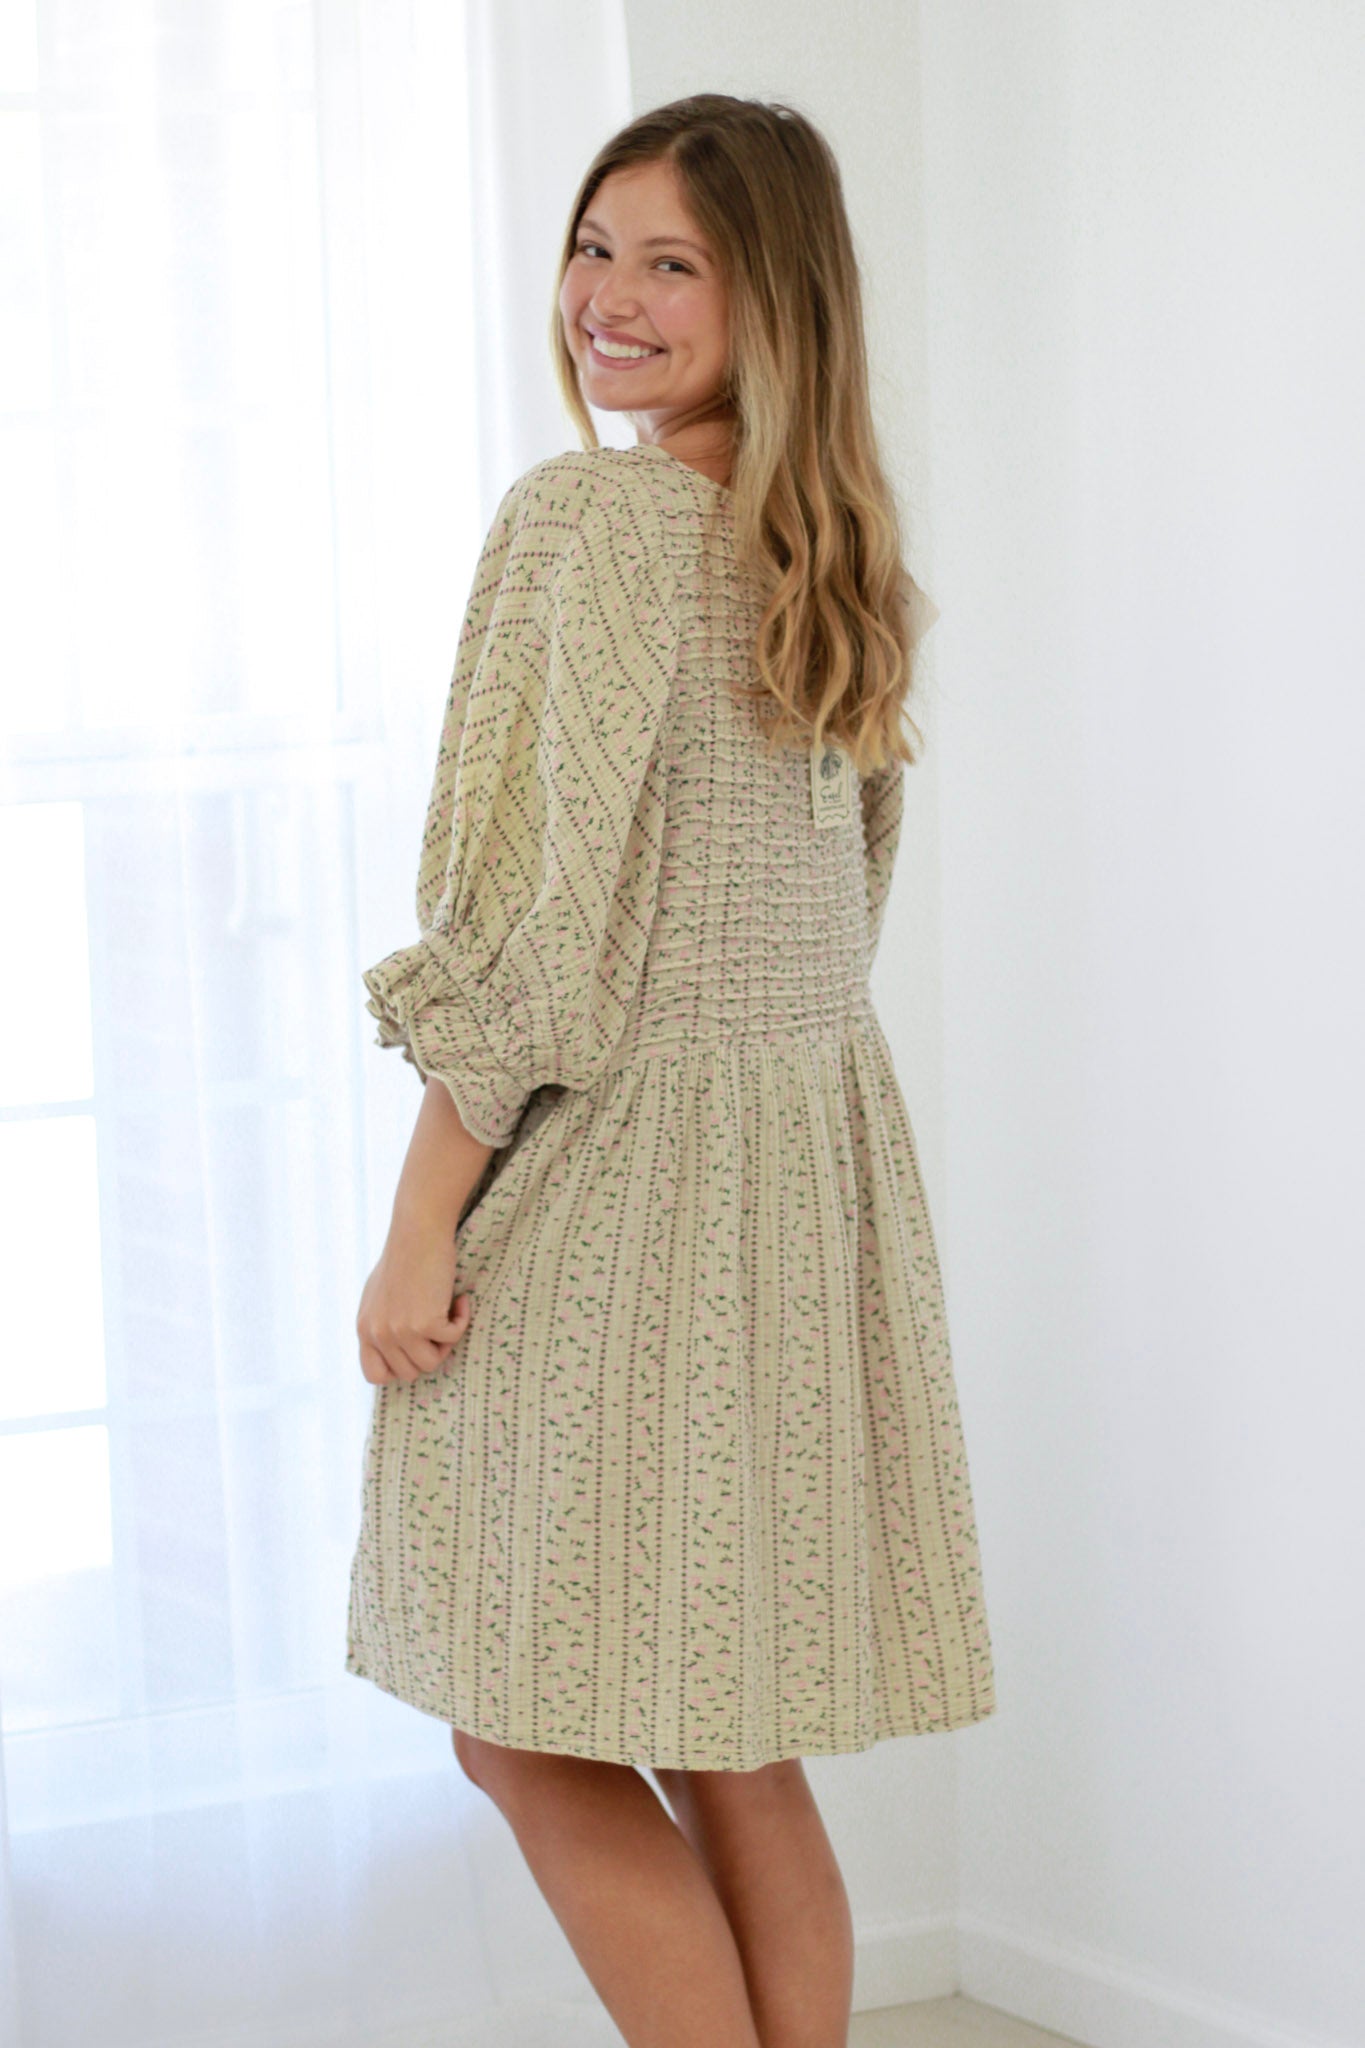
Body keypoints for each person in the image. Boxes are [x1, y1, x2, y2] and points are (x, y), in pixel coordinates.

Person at [345, 92, 996, 2048]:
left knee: (519, 1725)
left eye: (669, 264)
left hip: (616, 1197)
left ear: (769, 301)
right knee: (726, 1734)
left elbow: (528, 943)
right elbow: (839, 914)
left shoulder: (593, 524)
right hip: (799, 1191)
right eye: (590, 245)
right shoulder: (835, 558)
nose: (605, 298)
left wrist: (416, 1231)